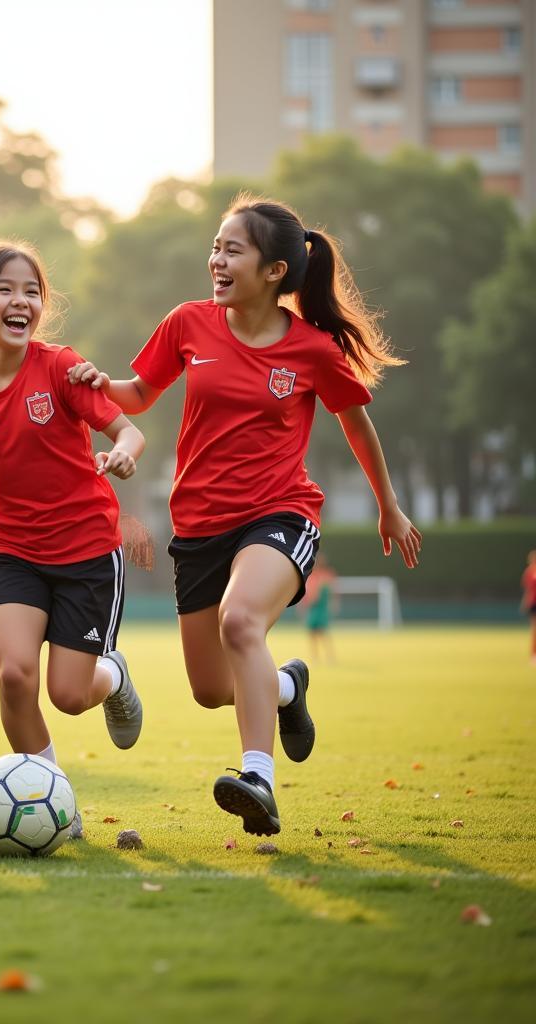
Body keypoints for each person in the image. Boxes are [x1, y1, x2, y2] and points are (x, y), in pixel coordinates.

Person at [68, 194, 422, 837]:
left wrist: (389, 507)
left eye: (232, 250)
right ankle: (287, 687)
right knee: (209, 688)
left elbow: (356, 425)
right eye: (216, 247)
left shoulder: (313, 350)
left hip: (279, 513)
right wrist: (91, 384)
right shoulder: (187, 324)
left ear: (274, 271)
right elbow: (138, 395)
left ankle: (257, 777)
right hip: (199, 526)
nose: (216, 260)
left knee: (240, 620)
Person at [0, 241, 146, 840]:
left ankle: (112, 676)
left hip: (89, 550)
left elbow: (127, 429)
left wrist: (120, 453)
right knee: (14, 675)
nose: (22, 302)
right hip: (11, 549)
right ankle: (53, 805)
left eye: (32, 291)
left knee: (68, 695)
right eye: (5, 291)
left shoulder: (60, 366)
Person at [302, 551, 339, 663]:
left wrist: (333, 603)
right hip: (312, 608)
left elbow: (333, 591)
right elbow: (307, 593)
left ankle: (330, 656)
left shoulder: (327, 575)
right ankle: (315, 657)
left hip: (321, 609)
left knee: (323, 632)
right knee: (312, 633)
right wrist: (304, 605)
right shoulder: (310, 575)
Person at [522, 550, 536, 665]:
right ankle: (533, 655)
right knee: (534, 630)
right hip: (533, 603)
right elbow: (528, 589)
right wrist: (525, 603)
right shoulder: (529, 572)